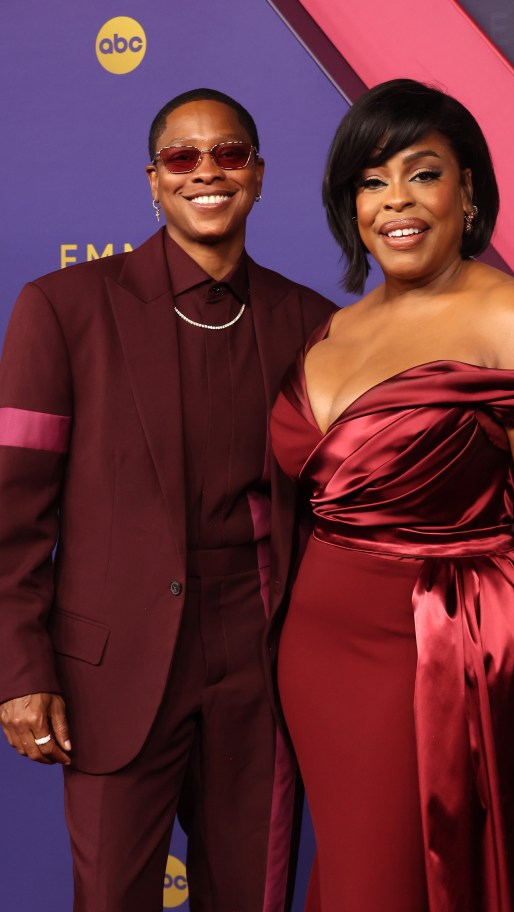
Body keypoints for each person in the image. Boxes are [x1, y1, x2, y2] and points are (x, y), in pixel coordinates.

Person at [270, 78, 514, 911]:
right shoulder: (334, 328)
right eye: (372, 181)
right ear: (351, 206)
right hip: (316, 654)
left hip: (439, 648)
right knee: (356, 874)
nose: (396, 200)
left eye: (423, 174)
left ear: (469, 193)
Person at [0, 88, 334, 912]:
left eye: (228, 155)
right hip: (110, 670)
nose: (206, 173)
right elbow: (13, 517)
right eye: (183, 158)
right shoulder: (63, 309)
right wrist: (19, 670)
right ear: (153, 182)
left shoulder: (315, 322)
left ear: (258, 174)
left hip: (263, 670)